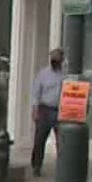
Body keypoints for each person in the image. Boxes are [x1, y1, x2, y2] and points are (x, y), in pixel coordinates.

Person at [30, 47, 66, 175]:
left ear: (62, 59)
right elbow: (36, 93)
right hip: (44, 109)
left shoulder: (65, 75)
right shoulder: (43, 74)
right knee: (40, 139)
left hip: (60, 110)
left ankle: (63, 168)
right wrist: (35, 110)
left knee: (61, 141)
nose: (55, 60)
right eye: (53, 58)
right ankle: (36, 166)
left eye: (57, 58)